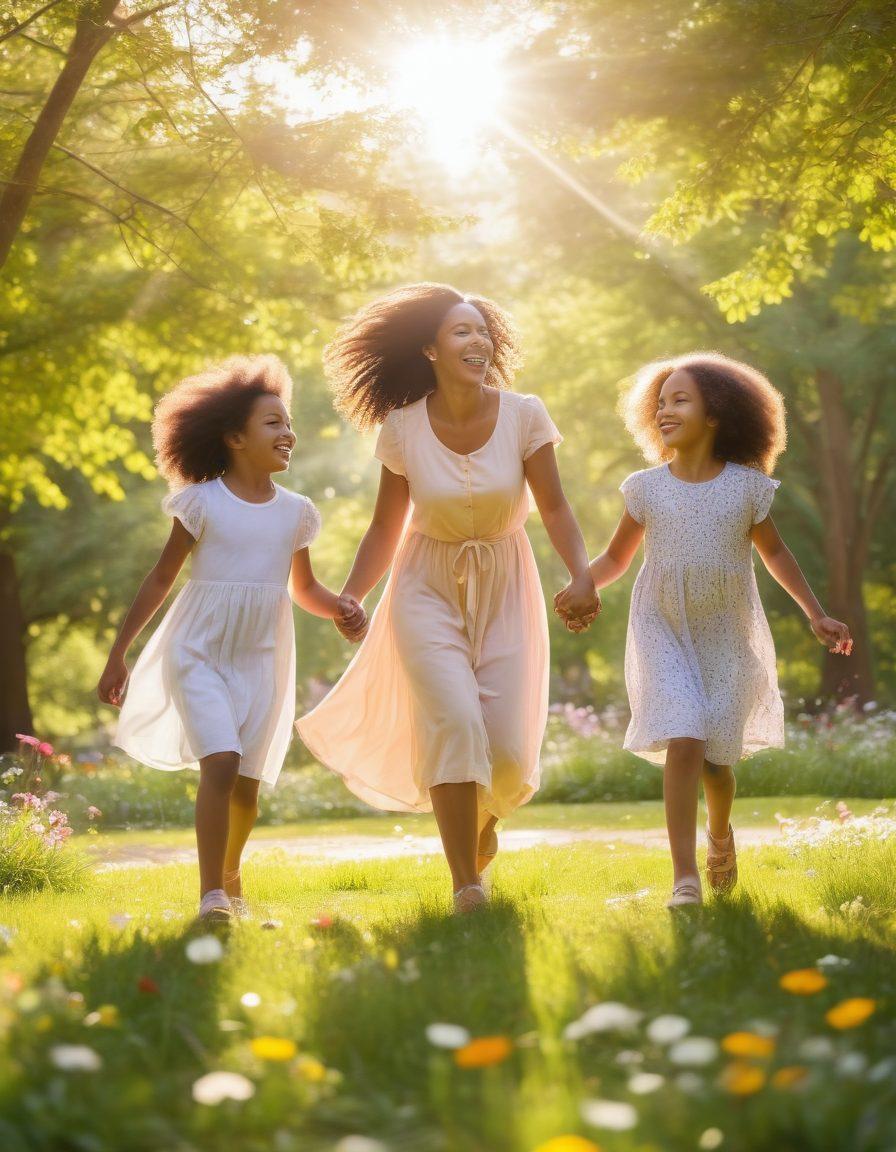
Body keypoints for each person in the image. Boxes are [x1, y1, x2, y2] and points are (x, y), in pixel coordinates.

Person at [296, 283, 598, 912]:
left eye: (483, 330)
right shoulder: (403, 428)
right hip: (423, 585)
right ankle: (466, 885)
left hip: (508, 581)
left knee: (510, 755)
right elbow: (386, 526)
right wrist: (353, 593)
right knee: (454, 724)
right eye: (462, 331)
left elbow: (556, 505)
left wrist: (581, 572)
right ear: (430, 348)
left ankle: (485, 820)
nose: (479, 340)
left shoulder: (525, 414)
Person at [556, 352, 852, 907]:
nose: (665, 410)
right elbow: (616, 559)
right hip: (662, 626)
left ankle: (720, 832)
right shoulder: (646, 488)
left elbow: (776, 554)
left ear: (716, 413)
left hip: (725, 630)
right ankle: (684, 876)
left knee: (717, 760)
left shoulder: (746, 488)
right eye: (661, 402)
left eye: (680, 400)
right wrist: (581, 583)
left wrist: (815, 613)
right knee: (683, 734)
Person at [97, 355, 365, 921]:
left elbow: (305, 588)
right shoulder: (202, 502)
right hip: (199, 648)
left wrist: (341, 607)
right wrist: (119, 653)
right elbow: (162, 578)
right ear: (235, 437)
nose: (287, 433)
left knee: (247, 787)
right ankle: (210, 895)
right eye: (273, 423)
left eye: (287, 422)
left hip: (264, 657)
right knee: (219, 761)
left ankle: (230, 873)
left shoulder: (297, 513)